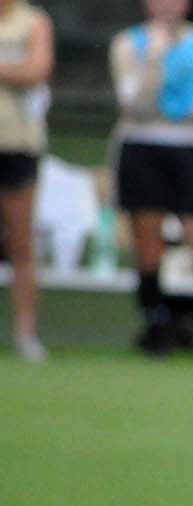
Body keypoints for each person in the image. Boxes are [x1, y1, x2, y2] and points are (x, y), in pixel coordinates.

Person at [110, 0, 193, 361]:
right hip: (141, 148)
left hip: (190, 150)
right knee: (148, 247)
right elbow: (131, 102)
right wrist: (154, 58)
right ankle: (156, 329)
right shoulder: (128, 44)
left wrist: (172, 111)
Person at [0, 0, 47, 362]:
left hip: (18, 146)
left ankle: (26, 333)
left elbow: (37, 70)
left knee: (21, 243)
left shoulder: (33, 21)